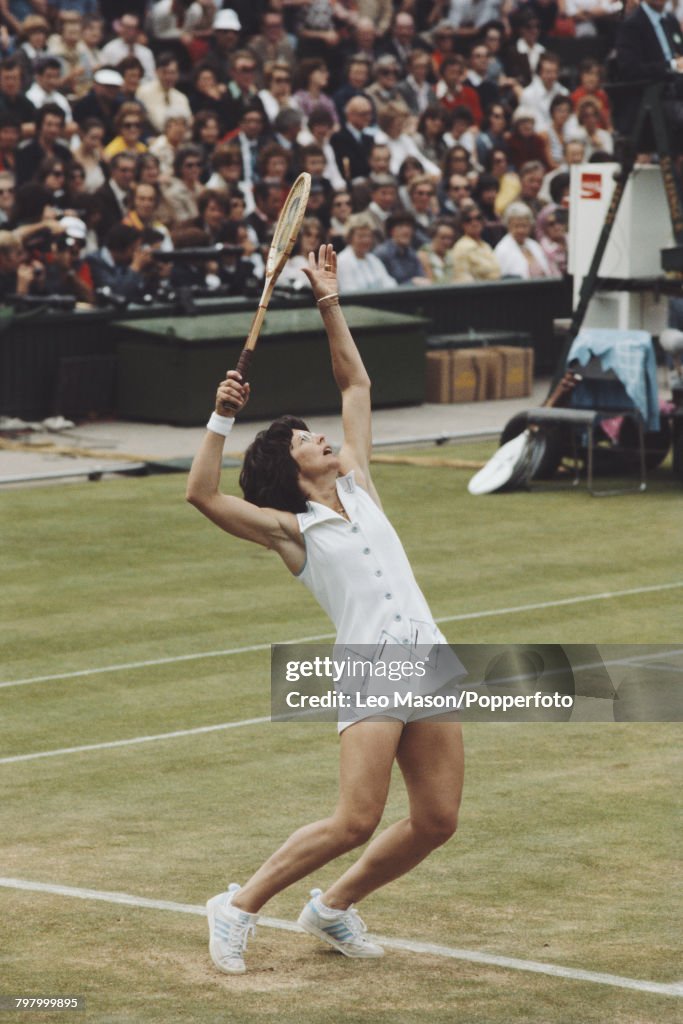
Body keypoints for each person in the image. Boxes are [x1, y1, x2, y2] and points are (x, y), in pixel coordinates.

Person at [186, 243, 464, 975]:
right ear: (291, 467)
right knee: (355, 817)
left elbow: (356, 381)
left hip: (428, 656)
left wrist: (327, 299)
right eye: (307, 438)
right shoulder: (289, 531)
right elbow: (204, 497)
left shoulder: (361, 484)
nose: (322, 437)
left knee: (437, 819)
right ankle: (238, 906)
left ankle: (330, 907)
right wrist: (218, 420)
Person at [336, 213, 397, 291]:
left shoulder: (373, 259)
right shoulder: (343, 260)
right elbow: (349, 291)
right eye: (361, 236)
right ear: (350, 237)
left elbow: (389, 284)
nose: (366, 240)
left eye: (368, 236)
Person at [494, 201, 552, 278]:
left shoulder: (534, 245)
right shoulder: (502, 249)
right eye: (516, 226)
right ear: (508, 226)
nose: (521, 230)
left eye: (524, 226)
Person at [451, 204, 501, 282]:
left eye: (478, 218)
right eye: (468, 220)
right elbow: (462, 279)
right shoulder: (461, 248)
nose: (475, 223)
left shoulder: (485, 245)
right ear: (462, 224)